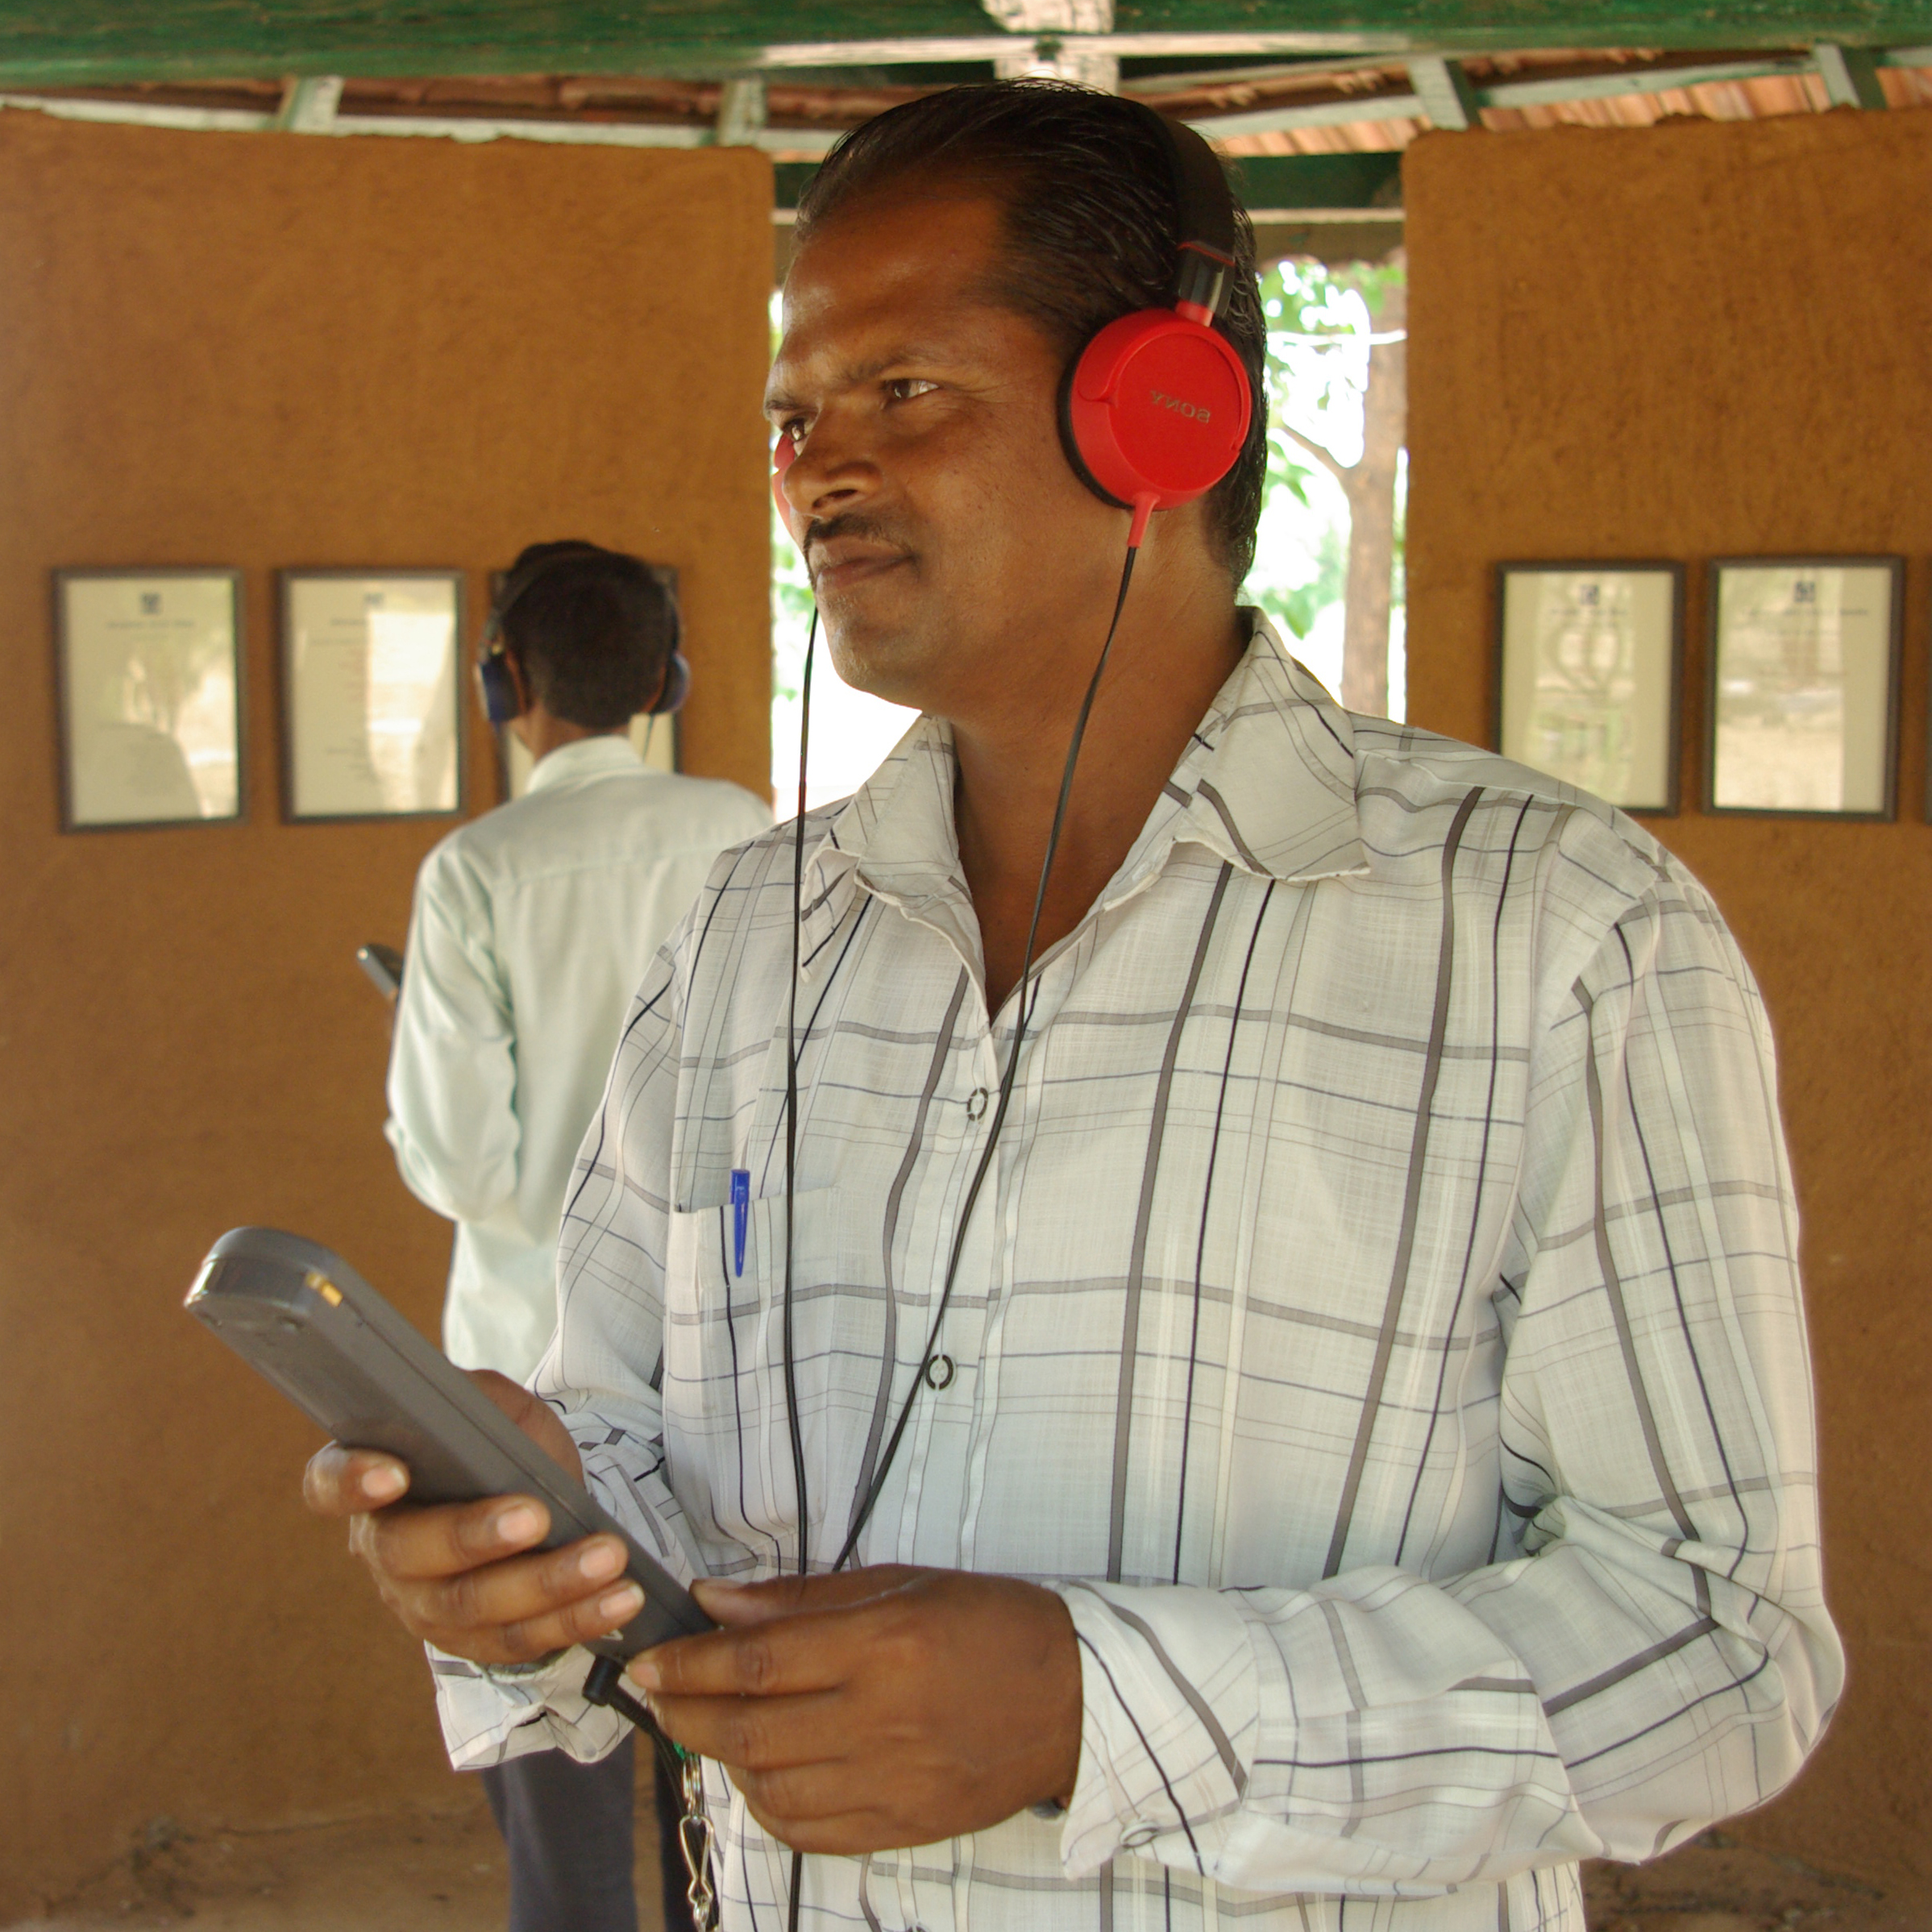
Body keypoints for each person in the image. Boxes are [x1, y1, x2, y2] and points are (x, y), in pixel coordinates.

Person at [310, 85, 1843, 1932]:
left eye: (902, 393)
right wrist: (538, 1533)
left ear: (1160, 412)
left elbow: (1716, 1643)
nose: (814, 465)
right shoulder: (741, 935)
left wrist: (1093, 1708)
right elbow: (638, 1441)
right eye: (793, 414)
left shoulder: (1557, 933)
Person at [381, 539, 770, 1932]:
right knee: (713, 1759)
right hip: (718, 1362)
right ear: (665, 677)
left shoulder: (475, 870)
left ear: (503, 683)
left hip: (523, 1375)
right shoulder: (747, 830)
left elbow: (460, 1159)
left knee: (552, 1778)